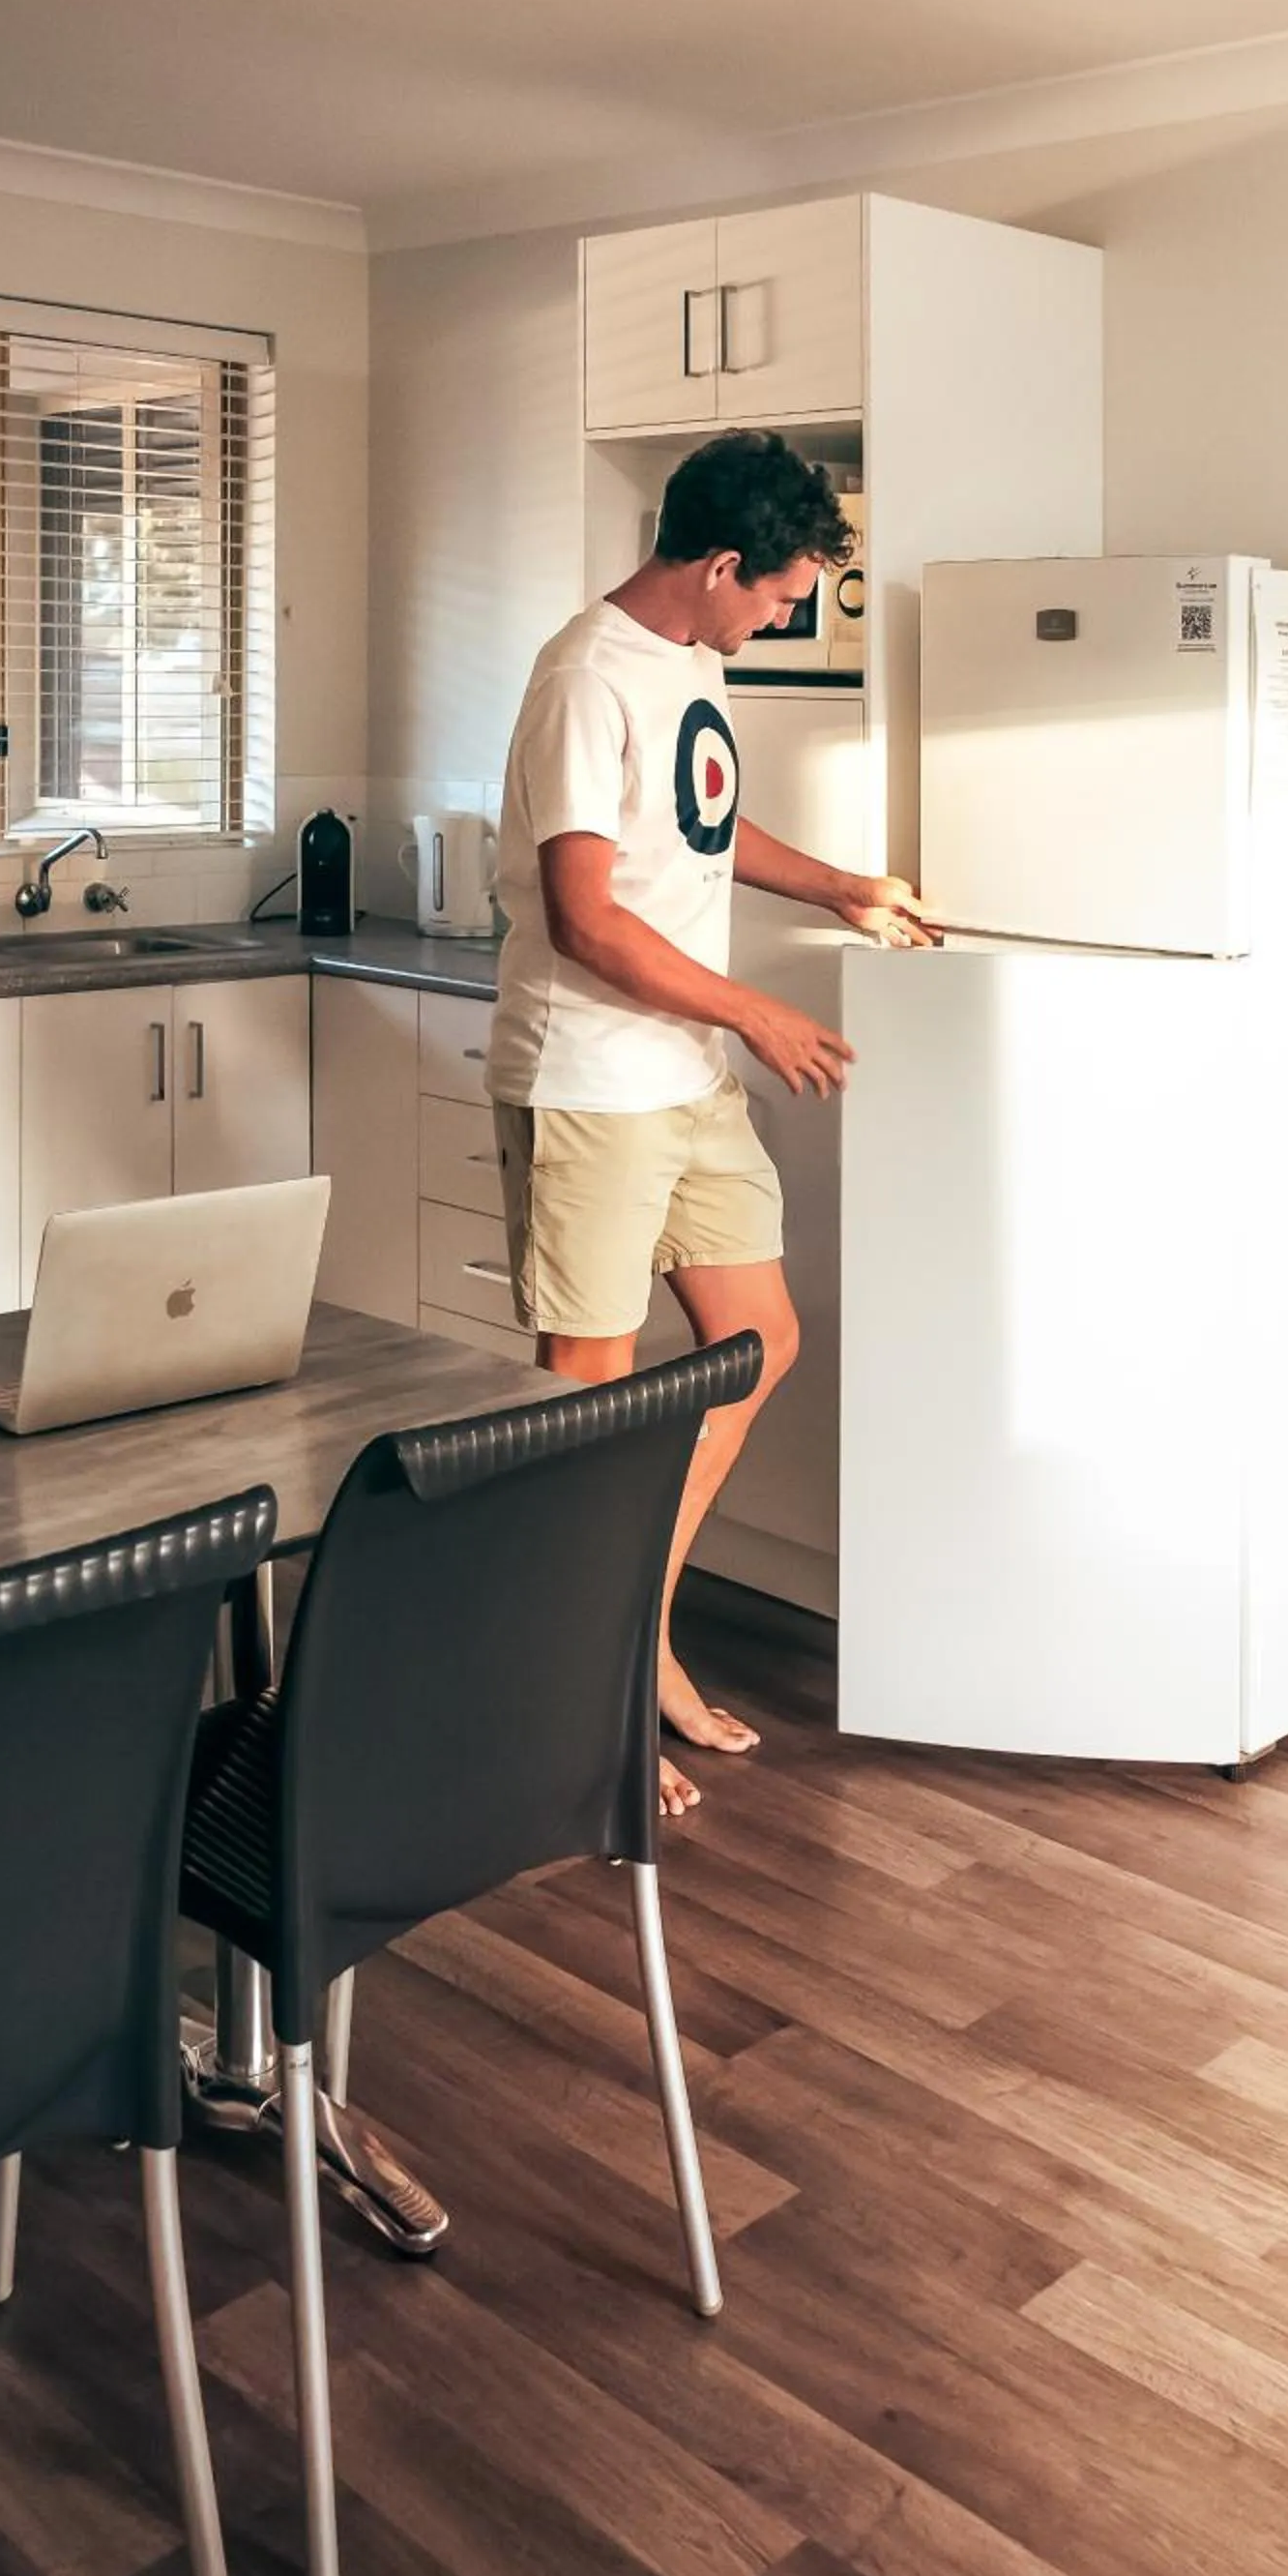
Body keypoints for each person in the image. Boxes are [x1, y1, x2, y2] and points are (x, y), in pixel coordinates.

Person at [486, 429, 937, 1816]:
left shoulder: (691, 667)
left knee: (754, 1347)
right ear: (720, 562)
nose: (785, 615)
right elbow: (583, 916)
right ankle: (571, 1701)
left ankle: (626, 1636)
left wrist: (845, 884)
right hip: (592, 1085)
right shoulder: (583, 676)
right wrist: (754, 1010)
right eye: (780, 593)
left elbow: (704, 835)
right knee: (588, 1408)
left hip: (681, 1079)